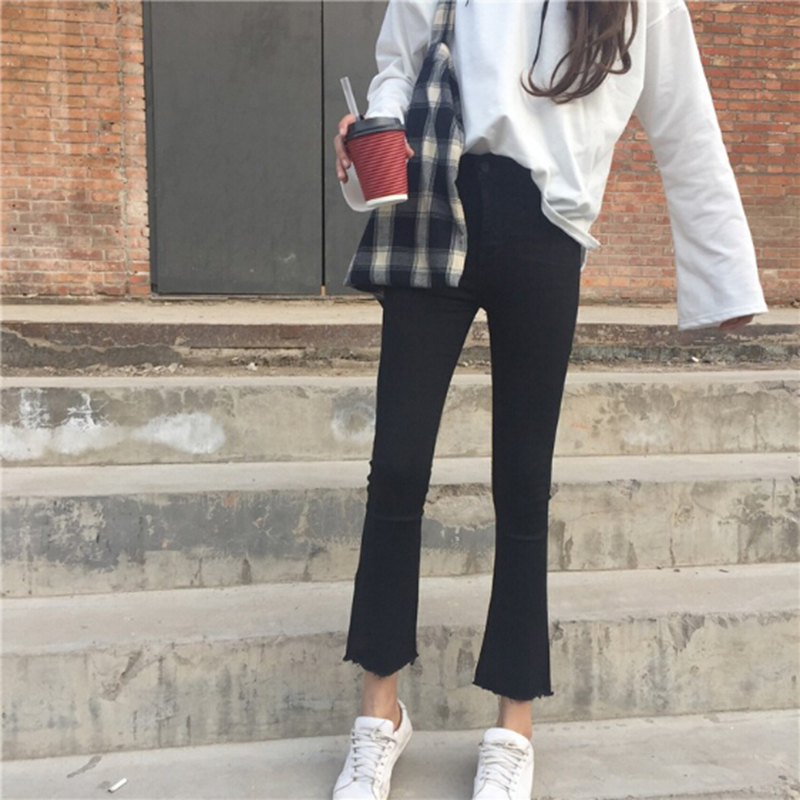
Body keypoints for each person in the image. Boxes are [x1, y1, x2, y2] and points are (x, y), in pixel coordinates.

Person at [331, 0, 768, 798]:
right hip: (434, 204)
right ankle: (379, 715)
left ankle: (513, 726)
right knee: (395, 469)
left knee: (524, 481)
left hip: (546, 232)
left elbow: (686, 125)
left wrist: (726, 277)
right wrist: (376, 128)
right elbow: (399, 61)